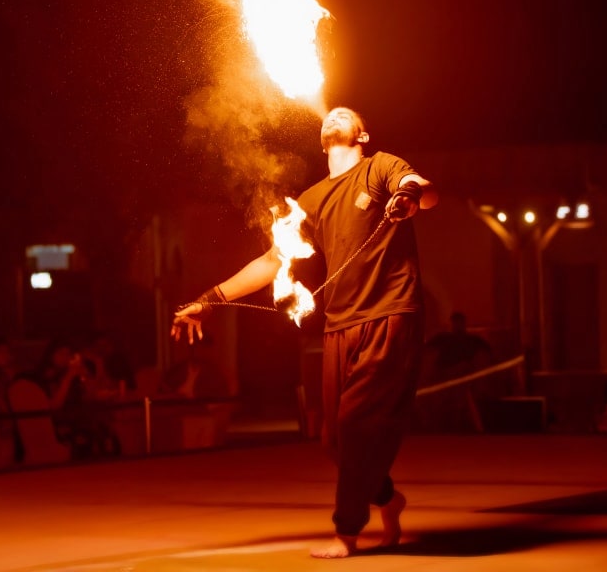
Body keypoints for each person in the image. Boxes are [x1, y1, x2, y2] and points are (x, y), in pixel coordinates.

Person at [171, 106, 438, 558]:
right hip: (340, 325)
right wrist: (210, 298)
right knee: (332, 440)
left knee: (355, 426)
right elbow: (271, 263)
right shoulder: (311, 199)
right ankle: (388, 499)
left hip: (390, 314)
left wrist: (408, 195)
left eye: (345, 114)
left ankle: (346, 532)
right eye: (329, 115)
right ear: (321, 138)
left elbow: (425, 191)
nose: (333, 115)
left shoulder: (381, 168)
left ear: (363, 133)